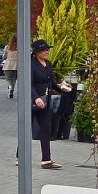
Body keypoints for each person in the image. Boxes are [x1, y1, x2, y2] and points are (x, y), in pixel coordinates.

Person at [30, 39, 70, 169]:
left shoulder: (48, 64)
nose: (47, 51)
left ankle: (46, 160)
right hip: (32, 100)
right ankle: (20, 156)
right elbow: (28, 84)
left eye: (48, 49)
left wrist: (61, 89)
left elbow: (51, 82)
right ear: (36, 52)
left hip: (45, 100)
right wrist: (35, 98)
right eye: (44, 50)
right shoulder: (30, 64)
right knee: (26, 128)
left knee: (46, 129)